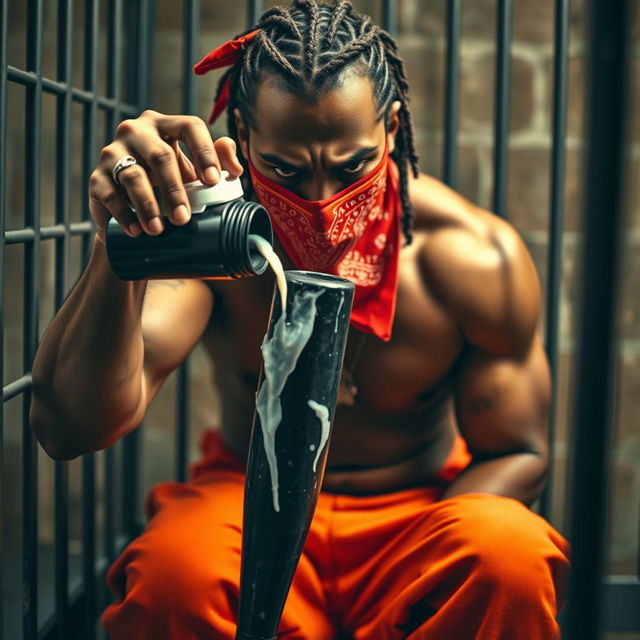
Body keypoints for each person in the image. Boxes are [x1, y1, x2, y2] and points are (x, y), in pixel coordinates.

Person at [29, 1, 569, 638]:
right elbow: (70, 427)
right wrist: (122, 241)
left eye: (351, 168)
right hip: (248, 496)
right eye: (284, 170)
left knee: (507, 556)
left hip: (415, 512)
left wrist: (422, 572)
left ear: (392, 129)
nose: (320, 203)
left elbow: (521, 450)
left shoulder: (472, 258)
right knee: (176, 575)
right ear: (244, 140)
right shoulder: (220, 246)